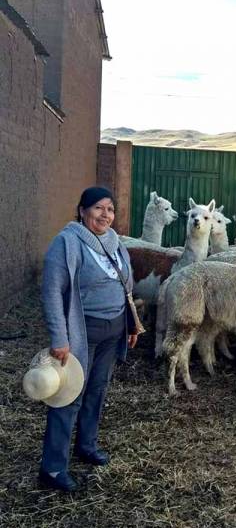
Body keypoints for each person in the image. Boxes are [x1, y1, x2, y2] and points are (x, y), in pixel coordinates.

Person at [38, 186, 138, 492]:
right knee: (68, 395)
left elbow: (126, 286)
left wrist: (131, 324)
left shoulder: (114, 242)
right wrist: (59, 337)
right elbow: (52, 292)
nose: (105, 214)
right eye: (98, 208)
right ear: (82, 210)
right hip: (82, 331)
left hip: (113, 329)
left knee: (97, 389)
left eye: (110, 209)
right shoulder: (67, 242)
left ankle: (87, 445)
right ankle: (53, 468)